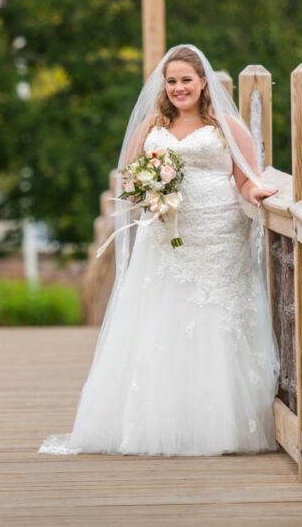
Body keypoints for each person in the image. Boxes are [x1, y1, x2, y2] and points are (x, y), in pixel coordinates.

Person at [40, 44, 280, 456]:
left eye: (186, 80)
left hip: (218, 234)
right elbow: (128, 179)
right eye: (171, 81)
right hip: (166, 235)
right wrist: (148, 188)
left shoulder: (225, 126)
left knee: (213, 321)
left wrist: (256, 190)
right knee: (166, 318)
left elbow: (246, 177)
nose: (178, 88)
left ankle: (215, 423)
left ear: (204, 82)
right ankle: (163, 421)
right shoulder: (152, 124)